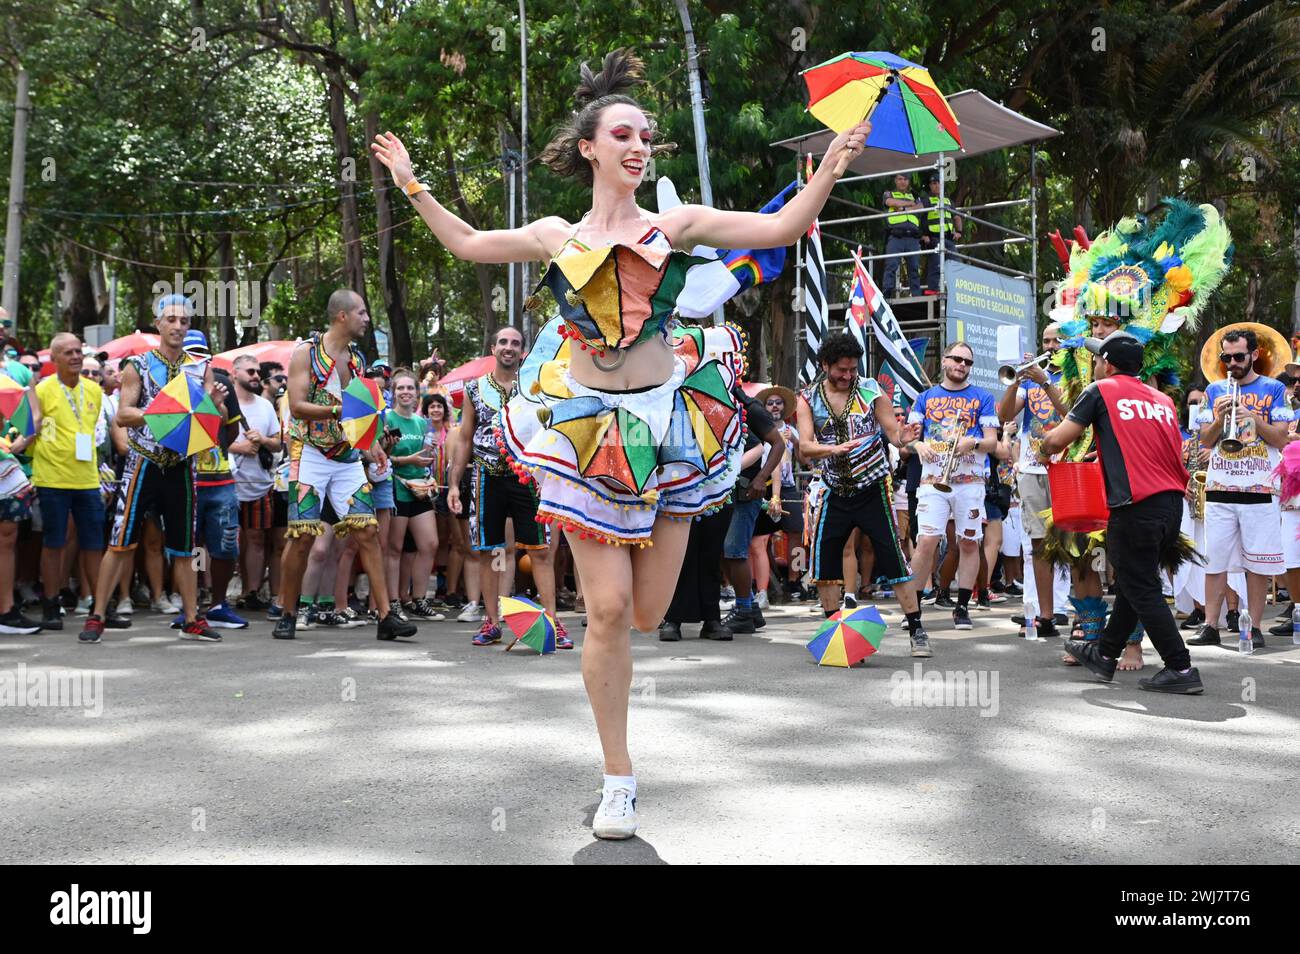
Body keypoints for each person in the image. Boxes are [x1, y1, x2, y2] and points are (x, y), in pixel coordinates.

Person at [372, 46, 869, 840]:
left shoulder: (675, 226)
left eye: (646, 136)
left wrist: (833, 164)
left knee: (643, 615)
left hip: (672, 430)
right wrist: (412, 183)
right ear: (591, 148)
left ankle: (622, 748)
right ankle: (618, 776)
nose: (640, 146)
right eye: (626, 135)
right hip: (582, 428)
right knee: (603, 610)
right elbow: (466, 242)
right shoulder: (556, 235)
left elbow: (786, 224)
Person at [1041, 331, 1202, 693]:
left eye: (1097, 359)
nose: (1094, 364)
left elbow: (1057, 440)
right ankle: (1105, 655)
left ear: (1108, 364)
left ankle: (1181, 668)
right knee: (1134, 582)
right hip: (1169, 505)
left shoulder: (1101, 390)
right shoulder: (1161, 400)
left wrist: (1041, 451)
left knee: (1141, 586)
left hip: (1135, 506)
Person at [273, 289, 417, 642]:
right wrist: (338, 409)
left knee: (368, 532)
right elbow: (297, 406)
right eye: (362, 313)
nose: (367, 319)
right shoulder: (306, 353)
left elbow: (361, 412)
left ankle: (386, 617)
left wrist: (373, 447)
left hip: (346, 456)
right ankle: (288, 611)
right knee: (303, 536)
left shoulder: (355, 360)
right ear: (342, 316)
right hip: (308, 452)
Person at [79, 297, 221, 643]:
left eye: (184, 321)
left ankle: (191, 619)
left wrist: (213, 406)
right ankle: (97, 615)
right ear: (157, 324)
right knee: (121, 542)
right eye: (171, 319)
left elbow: (208, 417)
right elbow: (123, 415)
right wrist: (160, 414)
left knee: (186, 547)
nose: (178, 326)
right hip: (142, 462)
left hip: (182, 465)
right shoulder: (138, 365)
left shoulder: (200, 368)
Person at [795, 333, 929, 652]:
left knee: (894, 558)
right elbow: (805, 446)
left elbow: (894, 434)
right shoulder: (808, 397)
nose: (848, 375)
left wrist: (903, 435)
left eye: (853, 369)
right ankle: (834, 633)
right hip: (833, 490)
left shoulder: (870, 389)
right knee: (824, 564)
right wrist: (833, 449)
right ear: (825, 365)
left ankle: (917, 631)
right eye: (841, 369)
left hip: (873, 488)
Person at [446, 327, 567, 648]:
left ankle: (552, 623)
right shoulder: (474, 390)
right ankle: (492, 621)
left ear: (522, 352)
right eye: (503, 342)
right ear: (493, 348)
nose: (509, 348)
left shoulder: (534, 389)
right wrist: (454, 484)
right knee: (490, 552)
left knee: (540, 551)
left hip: (527, 477)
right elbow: (465, 437)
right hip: (486, 476)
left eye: (515, 343)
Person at [1189, 327, 1293, 648]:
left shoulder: (1274, 389)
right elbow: (1204, 440)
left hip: (1260, 488)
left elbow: (1280, 438)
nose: (1231, 362)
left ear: (1254, 355)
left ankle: (1255, 627)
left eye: (1238, 356)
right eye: (1226, 357)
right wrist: (1221, 420)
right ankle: (1210, 625)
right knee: (1215, 560)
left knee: (1258, 563)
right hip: (1221, 486)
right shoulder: (1214, 389)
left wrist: (1252, 417)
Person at [907, 341, 999, 631]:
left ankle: (962, 607)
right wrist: (917, 444)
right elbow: (905, 440)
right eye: (957, 359)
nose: (962, 365)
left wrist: (973, 441)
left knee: (969, 542)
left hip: (970, 480)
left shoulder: (983, 397)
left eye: (968, 362)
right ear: (945, 361)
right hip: (933, 479)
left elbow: (993, 442)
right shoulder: (924, 398)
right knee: (926, 542)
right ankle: (913, 608)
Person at [29, 334, 112, 633]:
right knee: (55, 542)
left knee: (94, 544)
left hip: (87, 479)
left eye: (78, 351)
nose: (76, 356)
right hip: (52, 478)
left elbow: (94, 433)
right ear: (54, 359)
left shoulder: (94, 390)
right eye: (68, 353)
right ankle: (51, 604)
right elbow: (31, 431)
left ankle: (99, 607)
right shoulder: (42, 390)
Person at [996, 321, 1067, 636]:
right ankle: (1043, 613)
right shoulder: (1030, 382)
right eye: (1046, 341)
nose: (1050, 347)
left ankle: (1068, 609)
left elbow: (1070, 412)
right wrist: (1016, 380)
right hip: (1031, 468)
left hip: (1066, 467)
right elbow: (1005, 416)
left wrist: (1047, 382)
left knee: (1068, 541)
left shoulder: (1077, 375)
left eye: (1056, 341)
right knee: (1037, 543)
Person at [182, 331, 248, 630]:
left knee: (225, 545)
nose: (196, 360)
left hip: (220, 479)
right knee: (191, 546)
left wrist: (218, 406)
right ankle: (191, 604)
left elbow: (231, 432)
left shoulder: (224, 382)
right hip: (187, 478)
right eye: (190, 354)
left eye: (201, 354)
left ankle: (219, 603)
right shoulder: (174, 386)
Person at [720, 385, 785, 633]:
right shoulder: (718, 406)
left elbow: (778, 445)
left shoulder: (751, 409)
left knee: (734, 551)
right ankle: (750, 608)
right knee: (724, 552)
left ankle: (745, 610)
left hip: (747, 492)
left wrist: (761, 479)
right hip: (726, 493)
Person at [386, 368, 443, 619]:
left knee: (430, 544)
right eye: (401, 388)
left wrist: (428, 459)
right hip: (396, 488)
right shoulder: (387, 419)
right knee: (395, 548)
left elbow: (426, 455)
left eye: (410, 388)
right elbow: (381, 457)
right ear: (393, 392)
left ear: (417, 393)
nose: (406, 392)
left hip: (419, 490)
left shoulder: (422, 423)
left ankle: (419, 599)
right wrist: (408, 459)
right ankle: (393, 601)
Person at [229, 354, 284, 612]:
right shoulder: (223, 404)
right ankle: (210, 592)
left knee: (257, 538)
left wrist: (261, 439)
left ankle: (250, 592)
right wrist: (239, 447)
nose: (255, 376)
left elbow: (277, 443)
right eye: (249, 371)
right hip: (225, 484)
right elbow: (209, 438)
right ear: (235, 373)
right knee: (220, 540)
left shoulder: (265, 406)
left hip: (259, 485)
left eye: (256, 372)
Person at [748, 386, 803, 609]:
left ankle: (795, 578)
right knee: (762, 539)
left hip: (788, 486)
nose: (774, 406)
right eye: (770, 403)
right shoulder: (758, 428)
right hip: (763, 485)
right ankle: (770, 579)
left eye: (778, 403)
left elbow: (805, 461)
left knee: (796, 532)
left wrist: (796, 442)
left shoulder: (792, 430)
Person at [881, 172, 923, 298]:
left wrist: (903, 208)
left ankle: (916, 295)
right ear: (895, 180)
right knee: (891, 266)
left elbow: (920, 207)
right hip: (896, 236)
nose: (903, 181)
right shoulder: (889, 193)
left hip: (913, 238)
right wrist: (909, 204)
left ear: (909, 181)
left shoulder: (914, 195)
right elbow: (890, 202)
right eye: (900, 179)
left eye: (905, 179)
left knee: (914, 268)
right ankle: (887, 295)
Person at [921, 172, 962, 294]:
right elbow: (917, 217)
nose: (937, 185)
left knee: (955, 264)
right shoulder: (926, 200)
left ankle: (956, 290)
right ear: (930, 186)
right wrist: (922, 235)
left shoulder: (948, 201)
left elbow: (957, 217)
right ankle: (933, 289)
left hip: (948, 239)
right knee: (936, 264)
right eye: (934, 183)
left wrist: (959, 232)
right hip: (933, 239)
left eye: (939, 182)